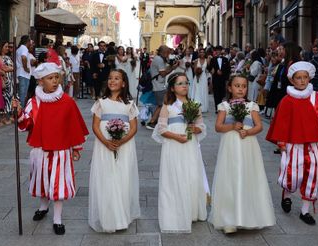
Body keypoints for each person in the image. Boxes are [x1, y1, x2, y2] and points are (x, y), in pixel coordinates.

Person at [14, 63, 89, 235]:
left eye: (56, 77)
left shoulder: (67, 101)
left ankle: (57, 219)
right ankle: (43, 207)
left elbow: (74, 126)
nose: (55, 81)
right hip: (40, 148)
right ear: (41, 81)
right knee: (42, 179)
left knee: (58, 183)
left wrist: (76, 148)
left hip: (61, 149)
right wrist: (18, 112)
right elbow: (26, 123)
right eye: (50, 78)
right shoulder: (34, 102)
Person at [266, 61, 318, 225]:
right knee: (293, 174)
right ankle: (287, 193)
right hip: (293, 143)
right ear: (292, 80)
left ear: (309, 78)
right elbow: (281, 123)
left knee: (313, 174)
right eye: (298, 78)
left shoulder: (317, 96)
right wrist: (281, 141)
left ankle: (305, 210)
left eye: (305, 77)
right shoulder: (287, 99)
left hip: (313, 143)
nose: (302, 80)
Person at [209, 74, 275, 234]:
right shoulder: (224, 106)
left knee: (248, 175)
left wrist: (249, 131)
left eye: (244, 86)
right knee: (231, 176)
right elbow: (218, 127)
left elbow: (259, 126)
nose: (241, 89)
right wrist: (232, 126)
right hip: (231, 144)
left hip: (248, 144)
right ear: (230, 88)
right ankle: (228, 218)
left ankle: (249, 216)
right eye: (237, 86)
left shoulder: (251, 105)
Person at [152, 72, 207, 233]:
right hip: (173, 145)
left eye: (186, 83)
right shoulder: (168, 106)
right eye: (180, 83)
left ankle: (191, 210)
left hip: (190, 145)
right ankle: (174, 210)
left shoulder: (194, 104)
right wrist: (176, 136)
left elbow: (201, 126)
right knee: (175, 175)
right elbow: (161, 129)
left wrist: (194, 128)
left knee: (191, 174)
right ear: (172, 88)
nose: (185, 86)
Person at [89, 69, 140, 232]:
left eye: (117, 78)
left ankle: (122, 215)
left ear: (123, 83)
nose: (112, 81)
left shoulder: (129, 104)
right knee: (107, 176)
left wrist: (121, 140)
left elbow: (133, 127)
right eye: (110, 78)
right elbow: (95, 126)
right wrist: (106, 142)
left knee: (122, 176)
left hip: (124, 146)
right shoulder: (100, 103)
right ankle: (107, 216)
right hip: (104, 145)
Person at [146, 45, 179, 130]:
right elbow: (163, 73)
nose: (168, 54)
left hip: (159, 84)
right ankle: (152, 122)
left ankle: (155, 121)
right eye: (167, 52)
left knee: (162, 104)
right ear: (163, 52)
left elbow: (164, 70)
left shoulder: (159, 59)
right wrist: (172, 68)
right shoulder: (159, 60)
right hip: (158, 85)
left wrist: (172, 66)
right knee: (162, 104)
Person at [209, 46, 231, 112]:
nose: (218, 51)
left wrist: (223, 74)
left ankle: (221, 105)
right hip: (215, 79)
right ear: (216, 51)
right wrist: (215, 71)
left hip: (223, 79)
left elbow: (228, 69)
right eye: (217, 50)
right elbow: (210, 68)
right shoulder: (213, 59)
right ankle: (217, 108)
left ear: (221, 51)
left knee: (222, 93)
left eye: (219, 50)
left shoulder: (225, 59)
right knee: (216, 93)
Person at [0, 41, 14, 125]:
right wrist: (11, 68)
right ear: (1, 47)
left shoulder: (8, 57)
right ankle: (3, 117)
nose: (7, 48)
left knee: (11, 97)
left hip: (11, 79)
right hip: (5, 79)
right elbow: (4, 68)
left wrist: (10, 68)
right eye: (6, 46)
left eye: (8, 47)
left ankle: (10, 115)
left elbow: (12, 67)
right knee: (5, 97)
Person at [16, 35, 32, 107]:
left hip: (21, 74)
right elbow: (23, 57)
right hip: (23, 74)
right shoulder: (24, 48)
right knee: (23, 94)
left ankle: (20, 110)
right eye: (30, 41)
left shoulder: (20, 48)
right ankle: (21, 111)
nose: (31, 43)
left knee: (21, 94)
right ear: (28, 41)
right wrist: (26, 68)